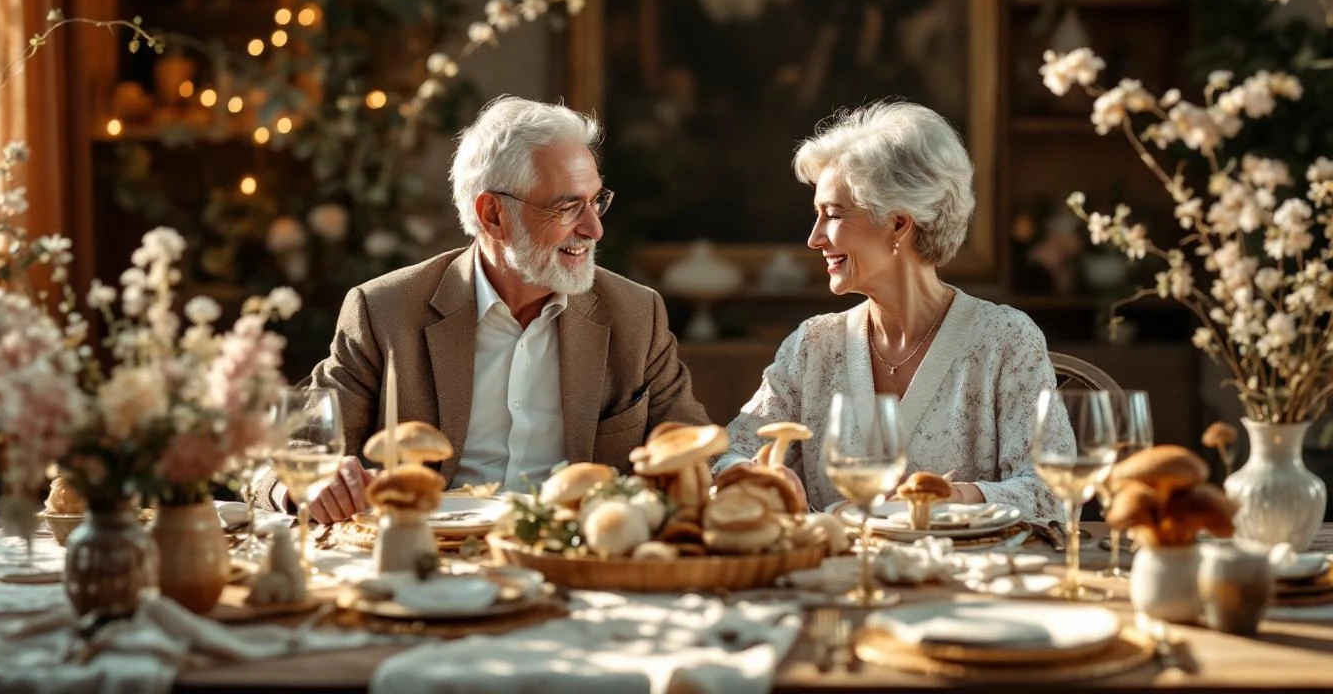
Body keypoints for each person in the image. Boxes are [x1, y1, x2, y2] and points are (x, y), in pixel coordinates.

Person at [261, 96, 709, 521]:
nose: (594, 228)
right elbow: (289, 451)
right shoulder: (385, 310)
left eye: (595, 201)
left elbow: (696, 450)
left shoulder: (635, 313)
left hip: (580, 558)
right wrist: (302, 484)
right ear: (493, 214)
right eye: (569, 207)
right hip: (430, 562)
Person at [712, 100, 1068, 521]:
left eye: (832, 215)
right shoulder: (813, 346)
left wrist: (946, 499)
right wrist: (754, 476)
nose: (814, 239)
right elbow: (728, 457)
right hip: (835, 581)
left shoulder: (1006, 339)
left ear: (899, 223)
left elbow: (1053, 493)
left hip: (967, 582)